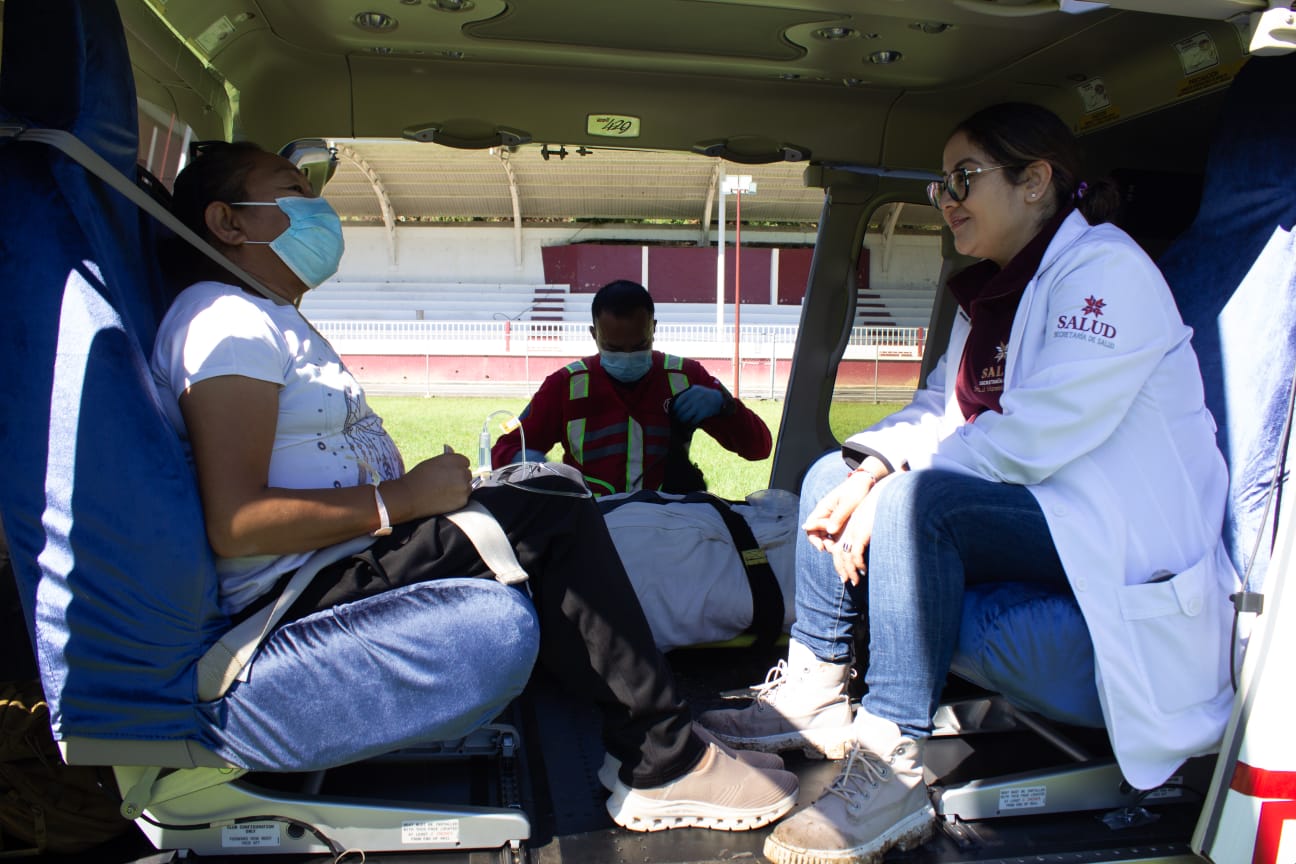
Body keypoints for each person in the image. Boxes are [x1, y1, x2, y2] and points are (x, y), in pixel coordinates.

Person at [150, 141, 796, 832]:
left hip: (334, 558)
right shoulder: (227, 323)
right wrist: (403, 501)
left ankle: (650, 743)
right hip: (304, 585)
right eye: (294, 191)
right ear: (228, 223)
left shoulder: (265, 320)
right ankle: (661, 762)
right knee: (552, 504)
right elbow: (237, 521)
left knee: (544, 490)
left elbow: (754, 445)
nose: (320, 208)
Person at [698, 103, 1238, 864]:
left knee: (922, 502)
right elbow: (940, 412)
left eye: (964, 177)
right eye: (939, 184)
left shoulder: (1107, 272)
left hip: (1116, 541)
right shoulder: (995, 292)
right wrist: (875, 467)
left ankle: (892, 765)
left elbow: (1038, 433)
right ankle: (814, 695)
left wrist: (893, 492)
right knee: (833, 470)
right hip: (1042, 512)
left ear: (1035, 181)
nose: (947, 197)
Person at [490, 280, 772, 496]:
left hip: (669, 519)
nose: (627, 356)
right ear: (593, 334)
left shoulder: (685, 376)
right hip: (592, 522)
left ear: (654, 329)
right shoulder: (565, 385)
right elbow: (506, 448)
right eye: (613, 348)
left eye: (639, 346)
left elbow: (759, 447)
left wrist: (725, 406)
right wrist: (523, 459)